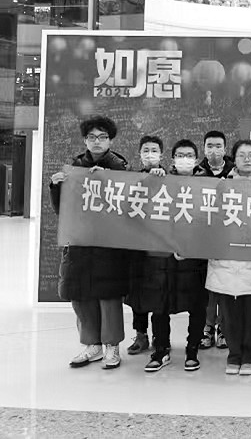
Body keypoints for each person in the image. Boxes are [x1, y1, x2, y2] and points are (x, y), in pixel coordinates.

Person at [49, 115, 131, 369]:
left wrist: (109, 181)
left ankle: (111, 346)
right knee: (80, 294)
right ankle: (91, 344)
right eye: (92, 137)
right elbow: (62, 210)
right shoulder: (75, 167)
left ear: (110, 140)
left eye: (103, 137)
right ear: (85, 140)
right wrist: (55, 186)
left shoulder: (119, 167)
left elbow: (128, 209)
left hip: (108, 243)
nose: (97, 141)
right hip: (80, 242)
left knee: (109, 296)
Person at [130, 140, 208, 373]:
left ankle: (192, 349)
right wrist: (151, 180)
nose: (185, 159)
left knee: (196, 305)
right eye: (180, 155)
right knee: (160, 304)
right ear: (172, 159)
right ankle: (161, 349)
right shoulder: (161, 180)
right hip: (162, 255)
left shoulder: (208, 184)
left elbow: (211, 222)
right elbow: (137, 205)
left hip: (194, 256)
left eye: (189, 155)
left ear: (196, 159)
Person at [205, 139, 251, 376]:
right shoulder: (221, 186)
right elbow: (209, 220)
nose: (247, 159)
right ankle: (234, 354)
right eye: (241, 155)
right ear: (233, 159)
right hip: (226, 262)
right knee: (229, 315)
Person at [125, 135, 166, 356]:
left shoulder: (171, 178)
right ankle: (140, 335)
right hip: (137, 246)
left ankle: (160, 337)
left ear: (162, 155)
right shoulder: (130, 178)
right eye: (146, 150)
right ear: (140, 154)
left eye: (154, 150)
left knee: (160, 294)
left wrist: (160, 177)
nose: (150, 154)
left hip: (160, 247)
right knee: (138, 294)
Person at [196, 130, 234, 352]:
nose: (214, 150)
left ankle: (224, 328)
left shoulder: (235, 172)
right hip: (203, 236)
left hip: (228, 235)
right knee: (207, 287)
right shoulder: (195, 172)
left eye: (218, 146)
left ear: (225, 148)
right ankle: (207, 327)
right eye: (209, 146)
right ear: (204, 148)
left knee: (225, 285)